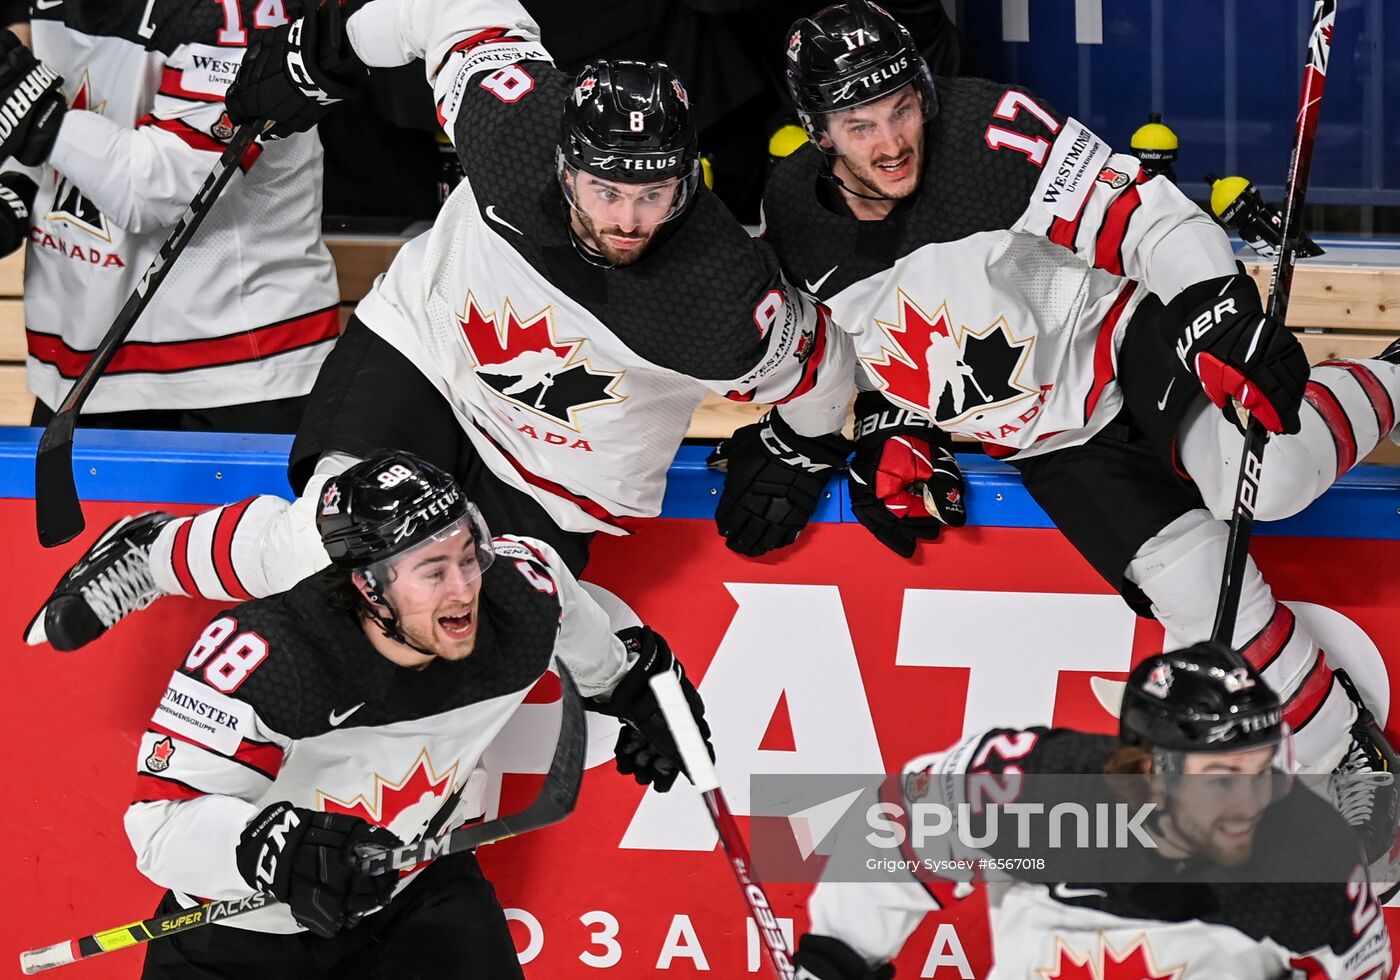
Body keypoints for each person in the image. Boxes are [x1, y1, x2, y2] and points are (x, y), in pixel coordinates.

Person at [752, 0, 1400, 859]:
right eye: (859, 124)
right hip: (1051, 442)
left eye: (902, 107)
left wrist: (1216, 306)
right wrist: (874, 425)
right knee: (1205, 602)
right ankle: (1346, 757)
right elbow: (859, 345)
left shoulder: (992, 134)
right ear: (818, 131)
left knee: (1268, 480)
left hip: (1124, 344)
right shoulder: (791, 216)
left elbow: (1150, 218)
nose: (891, 140)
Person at [24, 0, 852, 648]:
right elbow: (446, 4)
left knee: (461, 639)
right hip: (425, 355)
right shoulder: (513, 124)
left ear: (687, 183)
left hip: (552, 466)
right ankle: (152, 556)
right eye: (605, 191)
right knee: (336, 542)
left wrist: (802, 449)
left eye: (653, 196)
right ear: (563, 162)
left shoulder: (721, 295)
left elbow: (821, 367)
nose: (628, 220)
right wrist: (324, 52)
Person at [124, 450, 711, 978]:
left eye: (467, 555)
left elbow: (609, 665)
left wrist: (647, 696)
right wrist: (276, 848)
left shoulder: (523, 593)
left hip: (415, 895)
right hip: (245, 932)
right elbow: (159, 829)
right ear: (367, 584)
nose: (463, 590)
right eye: (433, 572)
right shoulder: (265, 655)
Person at [789, 644, 1393, 979]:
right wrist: (834, 958)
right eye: (1221, 778)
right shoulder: (1030, 787)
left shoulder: (1311, 857)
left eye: (1263, 771)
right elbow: (893, 833)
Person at [0, 0, 340, 432]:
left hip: (235, 376)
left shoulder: (236, 7)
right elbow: (55, 91)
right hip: (80, 362)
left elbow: (157, 191)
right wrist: (16, 182)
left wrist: (32, 117)